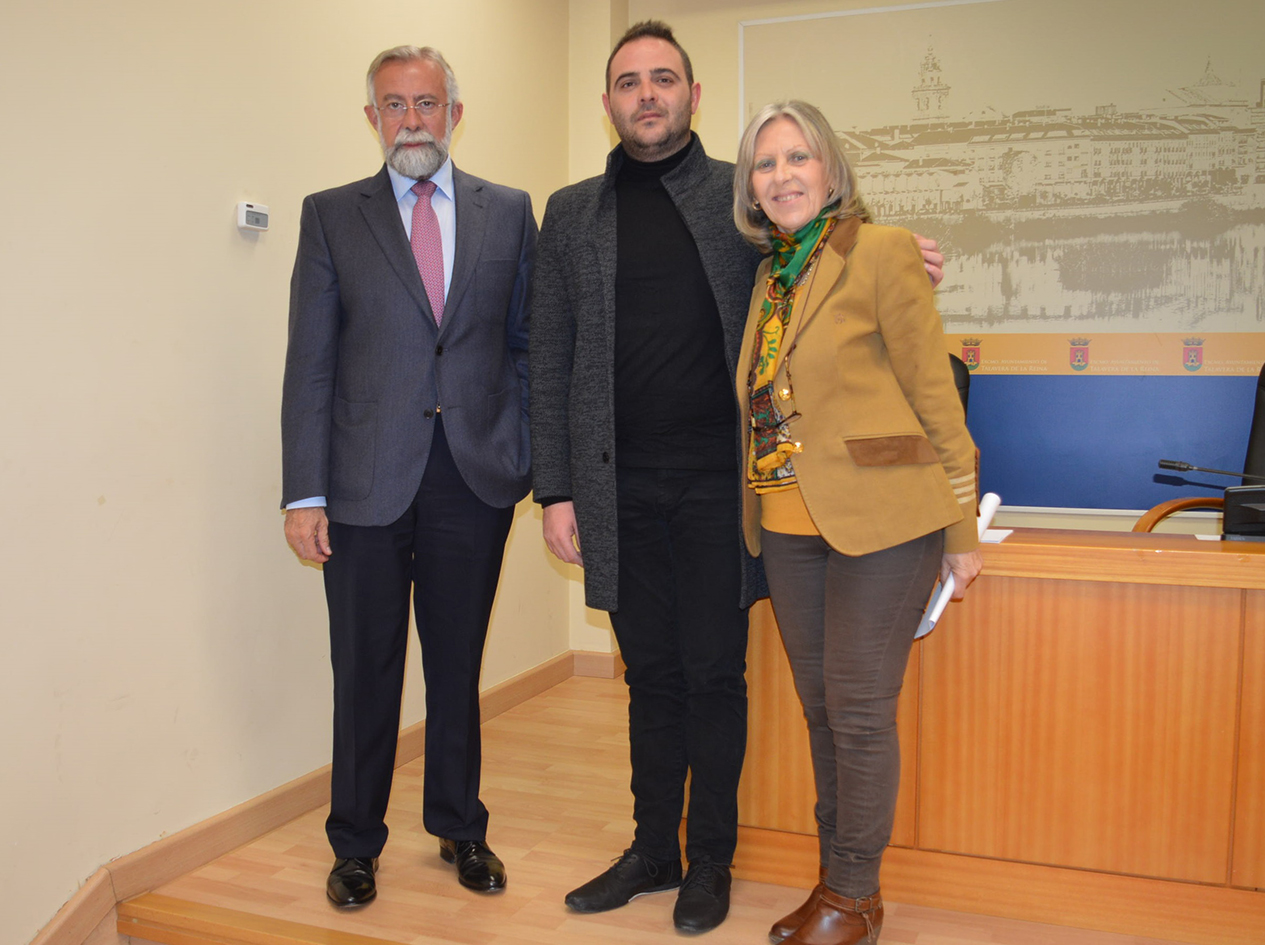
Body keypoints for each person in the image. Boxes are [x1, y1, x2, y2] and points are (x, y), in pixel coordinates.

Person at [528, 21, 945, 935]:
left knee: (716, 674)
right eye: (628, 81)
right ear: (608, 103)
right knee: (649, 675)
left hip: (725, 486)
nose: (646, 94)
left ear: (691, 96)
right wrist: (553, 488)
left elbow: (823, 259)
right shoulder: (567, 213)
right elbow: (548, 356)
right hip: (616, 487)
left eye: (663, 78)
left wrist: (894, 254)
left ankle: (709, 859)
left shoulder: (740, 198)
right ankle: (652, 848)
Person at [280, 45, 536, 907]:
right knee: (365, 668)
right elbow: (309, 365)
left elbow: (526, 345)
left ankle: (461, 826)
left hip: (473, 477)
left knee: (456, 667)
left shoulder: (508, 212)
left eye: (427, 102)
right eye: (394, 105)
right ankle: (354, 843)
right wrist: (303, 491)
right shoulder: (330, 216)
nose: (412, 119)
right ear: (371, 119)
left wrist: (524, 447)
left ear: (454, 114)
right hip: (360, 484)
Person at [731, 100, 982, 945]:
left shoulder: (878, 252)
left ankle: (853, 894)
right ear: (751, 187)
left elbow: (933, 393)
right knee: (819, 706)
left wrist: (960, 531)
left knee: (859, 707)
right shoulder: (771, 275)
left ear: (830, 171)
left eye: (797, 158)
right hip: (788, 520)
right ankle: (836, 884)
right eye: (765, 164)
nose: (781, 175)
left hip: (884, 518)